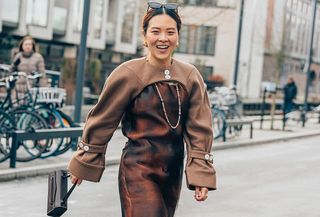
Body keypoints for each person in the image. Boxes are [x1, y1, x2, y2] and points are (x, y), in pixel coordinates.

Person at [68, 2, 216, 216]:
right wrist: (85, 161)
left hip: (172, 172)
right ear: (145, 36)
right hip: (138, 169)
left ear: (178, 36)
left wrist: (201, 173)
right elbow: (103, 120)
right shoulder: (127, 73)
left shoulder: (190, 76)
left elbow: (200, 129)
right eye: (155, 31)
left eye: (170, 32)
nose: (163, 38)